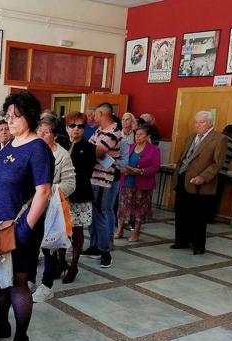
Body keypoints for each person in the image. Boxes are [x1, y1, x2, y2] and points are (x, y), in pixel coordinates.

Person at [0, 92, 52, 341]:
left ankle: (21, 338)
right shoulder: (11, 144)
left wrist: (25, 229)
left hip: (18, 229)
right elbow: (5, 175)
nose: (9, 121)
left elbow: (43, 191)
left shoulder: (37, 148)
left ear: (29, 116)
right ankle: (1, 324)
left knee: (18, 282)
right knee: (1, 276)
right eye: (7, 116)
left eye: (15, 116)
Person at [32, 115, 75, 303]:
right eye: (39, 130)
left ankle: (47, 285)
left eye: (46, 132)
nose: (41, 134)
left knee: (48, 247)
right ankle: (29, 280)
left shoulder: (62, 155)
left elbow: (71, 183)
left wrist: (51, 190)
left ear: (55, 136)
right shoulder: (31, 150)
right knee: (30, 245)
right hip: (31, 206)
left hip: (51, 207)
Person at [171, 111, 228, 255]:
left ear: (210, 123)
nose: (197, 125)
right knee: (182, 212)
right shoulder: (191, 136)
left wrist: (203, 176)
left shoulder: (219, 139)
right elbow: (184, 157)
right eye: (196, 122)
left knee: (199, 216)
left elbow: (217, 163)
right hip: (183, 179)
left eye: (201, 122)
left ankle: (198, 245)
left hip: (201, 184)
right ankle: (182, 240)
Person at [81, 103, 123, 268]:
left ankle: (105, 251)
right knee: (92, 214)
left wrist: (86, 150)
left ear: (101, 113)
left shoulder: (113, 132)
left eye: (95, 114)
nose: (92, 117)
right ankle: (94, 246)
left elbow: (97, 151)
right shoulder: (99, 130)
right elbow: (88, 146)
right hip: (92, 178)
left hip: (102, 180)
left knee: (100, 214)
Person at [63, 112, 97, 283]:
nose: (76, 129)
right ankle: (60, 262)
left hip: (80, 195)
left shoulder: (89, 147)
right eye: (72, 125)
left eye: (80, 126)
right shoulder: (60, 144)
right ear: (66, 127)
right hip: (61, 195)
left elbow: (86, 173)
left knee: (77, 231)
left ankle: (73, 266)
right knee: (61, 230)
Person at [115, 126, 161, 241]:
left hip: (143, 183)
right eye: (136, 134)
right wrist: (122, 168)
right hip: (127, 181)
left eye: (141, 134)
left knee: (140, 208)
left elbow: (155, 167)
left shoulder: (154, 150)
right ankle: (119, 229)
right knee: (123, 207)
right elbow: (121, 160)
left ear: (147, 136)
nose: (137, 136)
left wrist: (142, 171)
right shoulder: (130, 147)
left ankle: (136, 232)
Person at [209, 124, 232, 222]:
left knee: (205, 193)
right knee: (216, 195)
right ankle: (210, 217)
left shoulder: (214, 137)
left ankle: (200, 215)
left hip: (209, 171)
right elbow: (229, 159)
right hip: (222, 172)